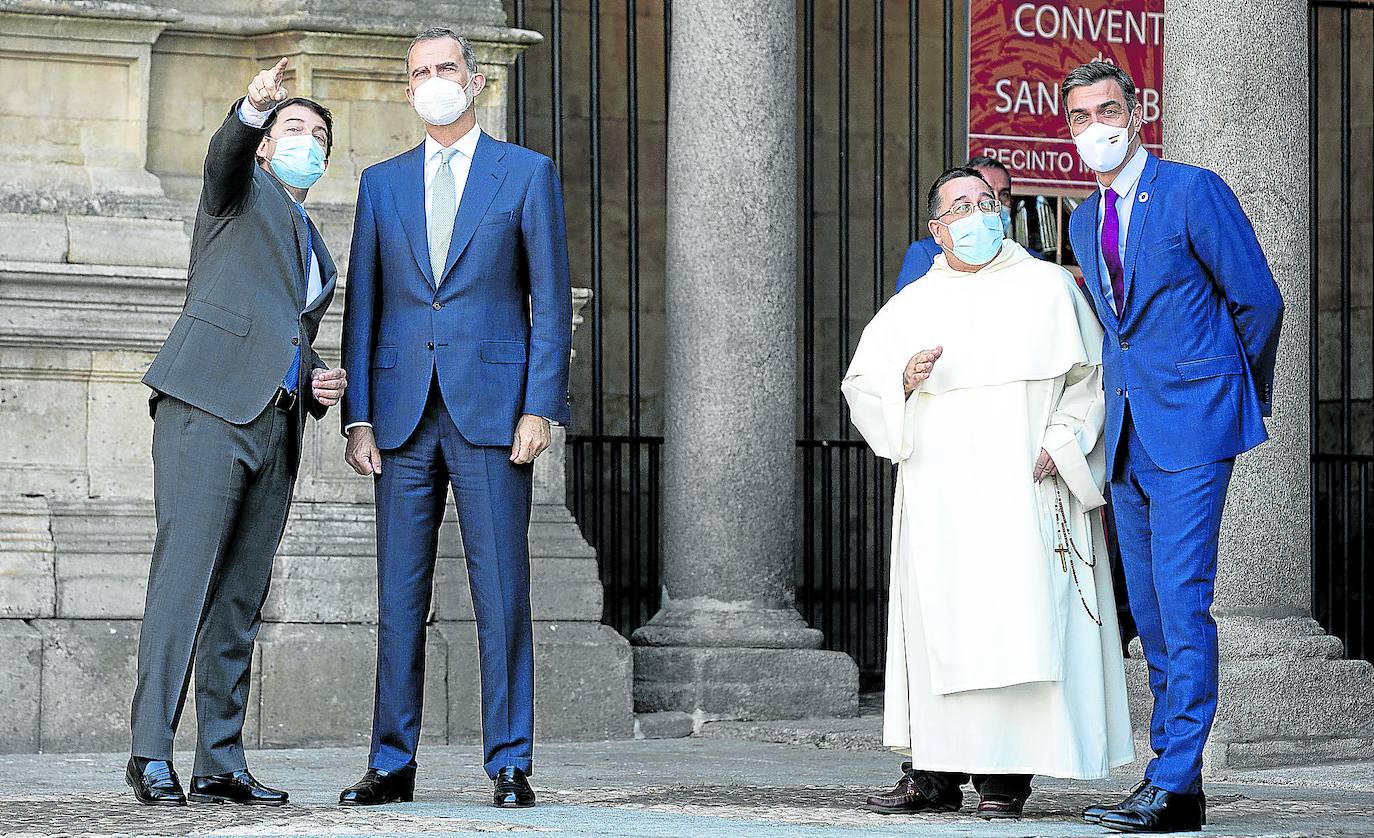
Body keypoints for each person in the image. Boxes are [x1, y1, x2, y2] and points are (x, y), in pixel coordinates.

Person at [844, 167, 1133, 820]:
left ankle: (1005, 782)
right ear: (936, 230)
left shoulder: (1049, 288)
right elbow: (865, 390)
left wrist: (1061, 444)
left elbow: (1092, 384)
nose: (979, 214)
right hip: (939, 499)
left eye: (988, 202)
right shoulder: (913, 304)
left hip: (1024, 494)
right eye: (962, 206)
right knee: (941, 634)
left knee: (1021, 631)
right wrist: (903, 381)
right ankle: (933, 776)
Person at [338, 27, 572, 809]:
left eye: (446, 68)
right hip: (401, 415)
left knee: (502, 592)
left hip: (494, 412)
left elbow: (550, 301)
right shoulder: (381, 182)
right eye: (419, 73)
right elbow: (364, 308)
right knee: (398, 597)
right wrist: (359, 419)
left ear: (476, 83)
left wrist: (541, 404)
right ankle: (391, 760)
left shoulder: (526, 174)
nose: (433, 80)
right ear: (407, 90)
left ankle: (509, 760)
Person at [1062, 61, 1284, 834]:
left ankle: (1173, 774)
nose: (1098, 127)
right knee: (1151, 613)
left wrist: (1226, 394)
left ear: (1137, 112)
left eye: (1108, 110)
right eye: (1082, 116)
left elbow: (1258, 300)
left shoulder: (1193, 190)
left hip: (1192, 424)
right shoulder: (1082, 223)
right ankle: (1176, 785)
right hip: (1127, 434)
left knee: (1184, 603)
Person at [127, 58, 347, 806]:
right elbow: (223, 153)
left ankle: (220, 760)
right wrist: (254, 105)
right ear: (265, 144)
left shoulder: (316, 246)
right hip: (207, 407)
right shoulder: (237, 191)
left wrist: (314, 377)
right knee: (183, 584)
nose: (308, 141)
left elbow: (283, 329)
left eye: (320, 135)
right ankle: (149, 753)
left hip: (276, 427)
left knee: (239, 602)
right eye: (295, 128)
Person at [893, 155, 1042, 292]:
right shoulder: (926, 253)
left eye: (1004, 195)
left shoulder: (1032, 261)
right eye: (965, 206)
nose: (995, 203)